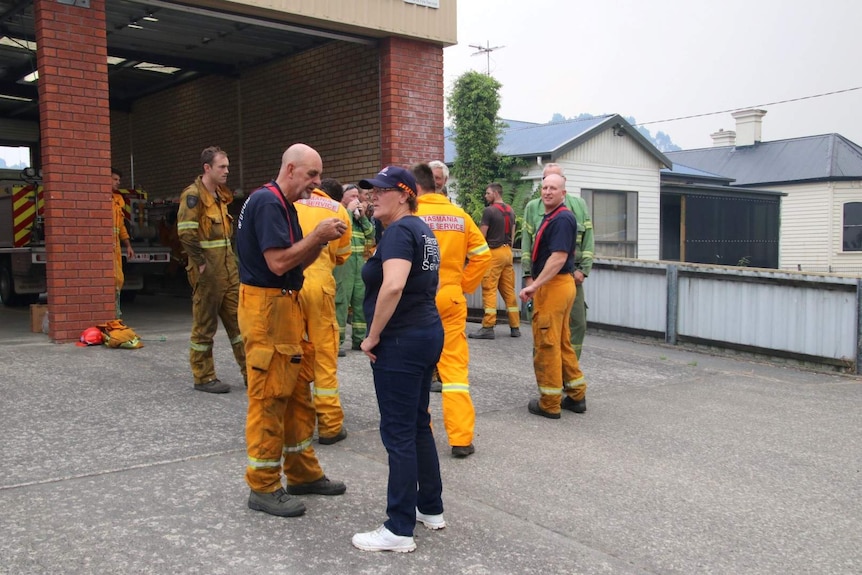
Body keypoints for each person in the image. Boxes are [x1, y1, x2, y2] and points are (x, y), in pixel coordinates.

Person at [235, 143, 348, 518]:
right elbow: (279, 261)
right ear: (290, 169)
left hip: (285, 305)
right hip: (268, 309)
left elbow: (295, 257)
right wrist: (316, 236)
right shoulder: (267, 203)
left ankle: (302, 473)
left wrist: (320, 240)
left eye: (319, 176)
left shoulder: (282, 204)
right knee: (269, 397)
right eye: (311, 175)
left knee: (297, 392)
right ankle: (263, 485)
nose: (316, 185)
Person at [351, 166, 446, 553]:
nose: (373, 196)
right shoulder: (423, 231)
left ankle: (398, 528)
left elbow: (392, 285)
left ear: (404, 194)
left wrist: (372, 336)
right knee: (418, 423)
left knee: (398, 432)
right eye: (371, 190)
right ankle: (430, 508)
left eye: (381, 190)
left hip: (402, 341)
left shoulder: (399, 233)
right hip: (425, 332)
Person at [414, 163, 491, 457]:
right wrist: (462, 284)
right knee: (455, 371)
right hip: (450, 297)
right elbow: (482, 256)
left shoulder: (411, 215)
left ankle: (421, 435)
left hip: (418, 299)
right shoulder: (460, 216)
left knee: (417, 368)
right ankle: (460, 439)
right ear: (442, 184)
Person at [521, 163, 593, 412]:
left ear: (564, 193)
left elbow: (559, 257)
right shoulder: (552, 216)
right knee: (562, 342)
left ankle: (550, 402)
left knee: (547, 344)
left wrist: (535, 284)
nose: (547, 191)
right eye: (544, 187)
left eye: (553, 188)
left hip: (555, 286)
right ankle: (576, 394)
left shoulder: (562, 218)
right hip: (559, 286)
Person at [177, 147, 247, 394]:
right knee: (205, 326)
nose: (227, 171)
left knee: (241, 325)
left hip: (228, 271)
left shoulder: (219, 196)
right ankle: (204, 377)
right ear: (207, 168)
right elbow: (186, 232)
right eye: (222, 167)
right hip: (208, 274)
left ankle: (251, 374)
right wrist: (200, 262)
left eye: (227, 166)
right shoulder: (193, 196)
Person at [295, 178, 352, 444]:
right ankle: (329, 426)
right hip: (320, 287)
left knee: (291, 354)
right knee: (324, 355)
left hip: (288, 285)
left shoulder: (285, 203)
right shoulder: (336, 210)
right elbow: (342, 255)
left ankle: (294, 421)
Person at [469, 182, 521, 340]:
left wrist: (473, 254)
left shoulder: (489, 211)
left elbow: (481, 236)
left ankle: (488, 326)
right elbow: (512, 233)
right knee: (508, 290)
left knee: (489, 288)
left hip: (494, 253)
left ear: (496, 193)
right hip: (508, 252)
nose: (486, 196)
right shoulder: (511, 210)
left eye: (488, 193)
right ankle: (515, 326)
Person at [334, 183, 375, 353]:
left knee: (360, 302)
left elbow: (371, 234)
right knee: (341, 304)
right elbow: (342, 230)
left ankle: (359, 339)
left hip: (359, 266)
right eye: (352, 196)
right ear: (342, 198)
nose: (356, 200)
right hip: (344, 266)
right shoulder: (339, 213)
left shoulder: (359, 219)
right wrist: (349, 212)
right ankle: (337, 343)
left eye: (357, 197)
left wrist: (363, 217)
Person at [110, 168, 134, 317]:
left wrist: (128, 245)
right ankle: (112, 311)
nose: (118, 182)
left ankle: (115, 311)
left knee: (119, 279)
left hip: (116, 246)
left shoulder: (118, 200)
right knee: (113, 278)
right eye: (115, 179)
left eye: (119, 180)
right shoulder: (98, 199)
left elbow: (121, 226)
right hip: (107, 246)